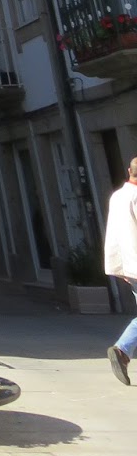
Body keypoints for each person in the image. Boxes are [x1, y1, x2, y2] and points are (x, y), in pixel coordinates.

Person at [103, 154, 137, 385]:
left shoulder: (117, 196)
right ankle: (123, 349)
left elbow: (115, 233)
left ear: (128, 171)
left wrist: (121, 266)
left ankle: (123, 350)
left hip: (129, 264)